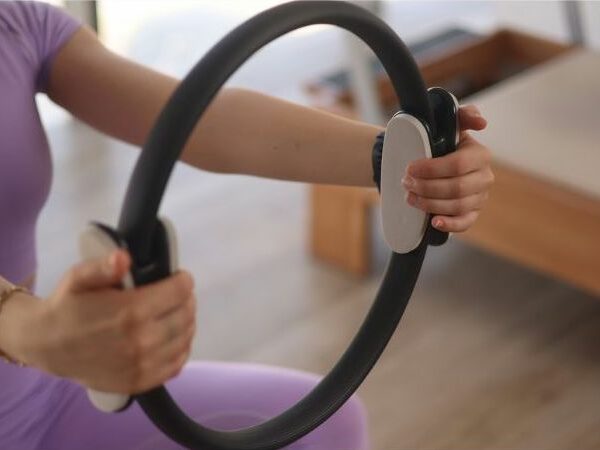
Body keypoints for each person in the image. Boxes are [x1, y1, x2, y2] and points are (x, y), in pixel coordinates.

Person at [0, 2, 494, 449]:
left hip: (36, 401)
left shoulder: (18, 24)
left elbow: (200, 121)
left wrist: (400, 163)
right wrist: (29, 328)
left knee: (327, 432)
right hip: (39, 354)